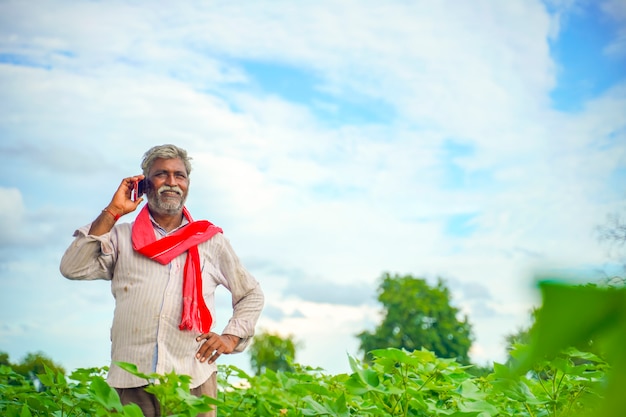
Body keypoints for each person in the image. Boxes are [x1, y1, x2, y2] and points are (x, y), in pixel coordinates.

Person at [60, 144, 264, 417]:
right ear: (144, 184)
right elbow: (73, 267)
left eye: (179, 175)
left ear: (187, 184)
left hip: (192, 382)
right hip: (129, 382)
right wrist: (112, 211)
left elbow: (251, 293)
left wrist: (230, 337)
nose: (172, 183)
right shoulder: (120, 237)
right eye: (161, 175)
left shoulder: (210, 241)